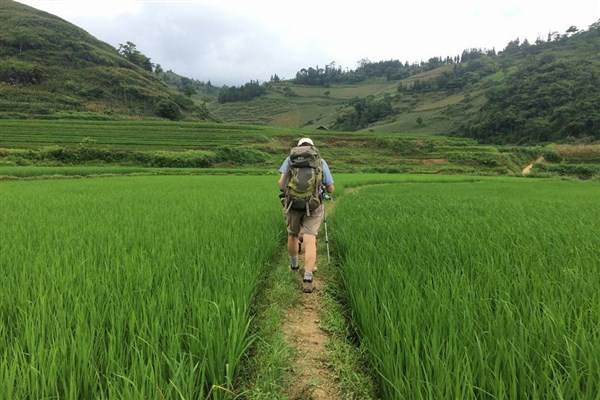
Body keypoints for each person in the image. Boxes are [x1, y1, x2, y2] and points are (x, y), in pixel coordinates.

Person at [278, 137, 334, 293]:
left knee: (293, 235)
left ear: (298, 148)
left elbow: (281, 184)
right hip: (313, 205)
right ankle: (308, 278)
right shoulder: (320, 162)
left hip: (293, 204)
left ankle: (294, 267)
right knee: (310, 239)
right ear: (313, 148)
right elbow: (330, 188)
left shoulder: (290, 159)